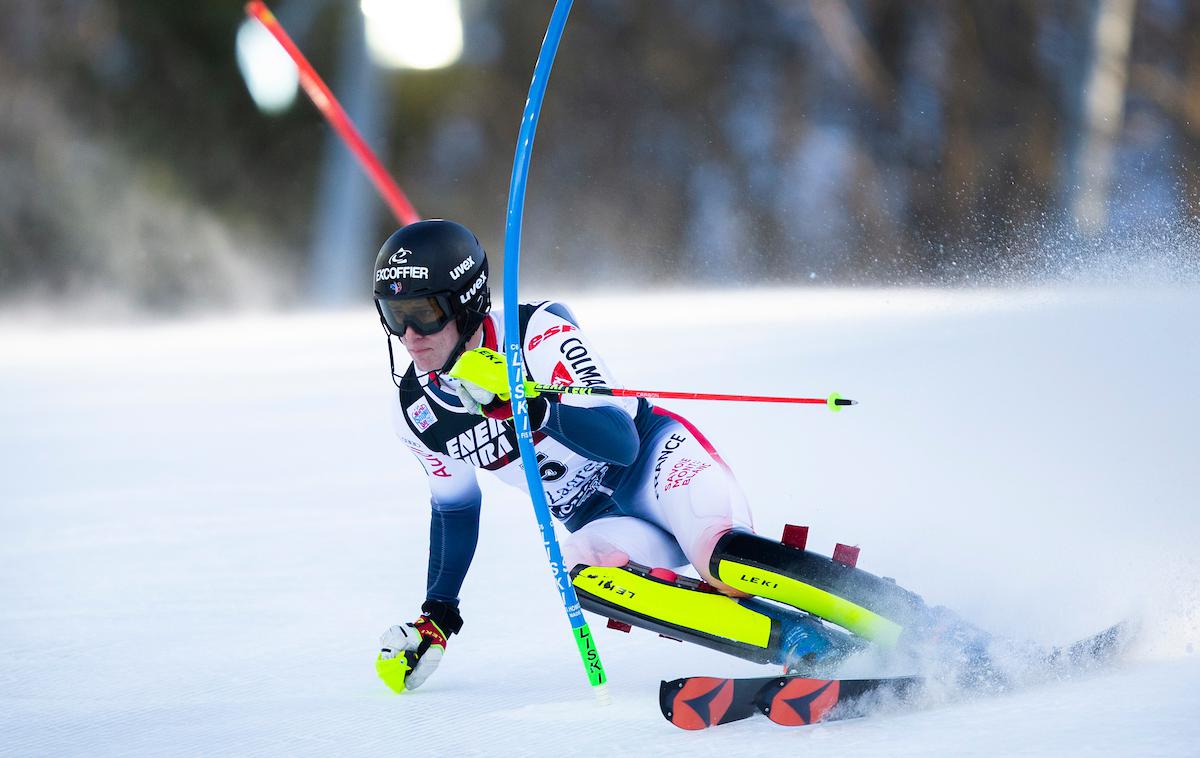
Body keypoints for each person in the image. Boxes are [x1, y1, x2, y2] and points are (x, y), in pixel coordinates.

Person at [370, 220, 977, 694]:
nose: (410, 335)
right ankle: (803, 645)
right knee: (584, 576)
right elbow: (455, 510)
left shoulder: (539, 333)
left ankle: (920, 623)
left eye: (423, 312)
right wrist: (437, 616)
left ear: (466, 301)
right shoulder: (416, 412)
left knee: (721, 558)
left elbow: (619, 439)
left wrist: (530, 406)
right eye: (395, 316)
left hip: (657, 463)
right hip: (596, 515)